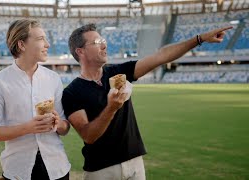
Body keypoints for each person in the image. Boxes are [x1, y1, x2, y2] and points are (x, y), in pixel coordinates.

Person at [62, 23, 232, 180]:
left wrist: (199, 39)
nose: (104, 45)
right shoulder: (71, 92)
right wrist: (111, 108)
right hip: (101, 171)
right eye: (97, 42)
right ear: (80, 51)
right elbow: (88, 135)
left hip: (135, 163)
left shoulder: (119, 72)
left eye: (103, 40)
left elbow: (161, 56)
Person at [0, 19, 71, 180]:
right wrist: (27, 128)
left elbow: (65, 128)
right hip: (18, 170)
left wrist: (58, 123)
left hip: (58, 168)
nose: (47, 44)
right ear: (21, 45)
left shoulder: (54, 78)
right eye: (40, 39)